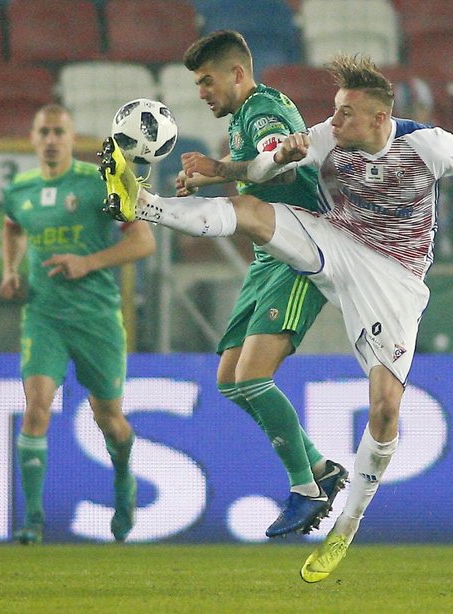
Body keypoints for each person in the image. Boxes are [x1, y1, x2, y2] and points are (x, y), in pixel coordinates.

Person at [100, 54, 453, 581]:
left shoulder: (430, 145)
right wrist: (243, 165)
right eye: (333, 112)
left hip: (396, 281)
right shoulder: (326, 138)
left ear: (380, 119)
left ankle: (344, 529)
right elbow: (263, 171)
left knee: (384, 410)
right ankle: (139, 204)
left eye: (346, 114)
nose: (333, 122)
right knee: (253, 215)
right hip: (338, 241)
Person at [177, 30, 347, 538]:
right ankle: (319, 466)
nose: (202, 92)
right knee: (230, 380)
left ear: (237, 73)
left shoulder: (263, 110)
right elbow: (255, 171)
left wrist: (219, 170)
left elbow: (277, 160)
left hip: (299, 254)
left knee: (253, 376)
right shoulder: (241, 118)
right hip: (265, 260)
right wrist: (212, 177)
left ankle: (305, 490)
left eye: (207, 81)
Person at [0, 104, 156, 544]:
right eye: (43, 131)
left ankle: (124, 482)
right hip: (44, 315)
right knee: (36, 406)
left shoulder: (97, 183)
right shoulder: (20, 189)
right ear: (32, 138)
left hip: (96, 317)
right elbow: (12, 228)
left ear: (72, 139)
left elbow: (143, 241)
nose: (51, 140)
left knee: (108, 418)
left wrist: (87, 262)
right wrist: (10, 271)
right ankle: (32, 519)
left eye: (59, 132)